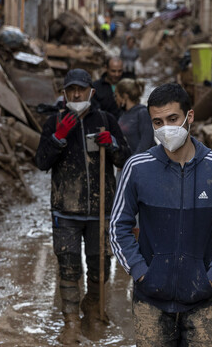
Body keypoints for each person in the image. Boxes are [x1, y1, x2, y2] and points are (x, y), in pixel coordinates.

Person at [110, 83, 212, 346]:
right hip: (151, 303)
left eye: (172, 119)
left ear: (189, 117)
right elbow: (118, 227)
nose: (165, 128)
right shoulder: (137, 168)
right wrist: (140, 272)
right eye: (157, 122)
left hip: (202, 302)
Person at [35, 68, 131, 344]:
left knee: (100, 263)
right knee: (68, 264)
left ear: (91, 91)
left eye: (81, 89)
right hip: (65, 209)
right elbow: (41, 162)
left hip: (101, 210)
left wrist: (111, 144)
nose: (76, 94)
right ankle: (71, 322)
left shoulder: (106, 120)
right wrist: (58, 138)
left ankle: (92, 306)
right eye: (70, 90)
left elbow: (125, 158)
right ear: (64, 94)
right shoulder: (53, 122)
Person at [115, 78, 155, 154]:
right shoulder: (123, 114)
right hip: (128, 161)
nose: (116, 98)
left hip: (143, 161)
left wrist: (134, 161)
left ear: (124, 96)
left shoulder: (142, 112)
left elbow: (146, 142)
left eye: (116, 95)